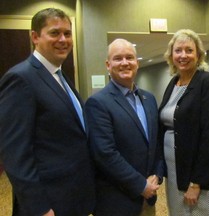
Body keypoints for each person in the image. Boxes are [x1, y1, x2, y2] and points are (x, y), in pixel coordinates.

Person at [0, 8, 95, 216]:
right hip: (47, 204)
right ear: (35, 36)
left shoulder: (61, 76)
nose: (63, 39)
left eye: (67, 34)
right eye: (54, 33)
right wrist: (39, 208)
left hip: (71, 197)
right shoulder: (21, 79)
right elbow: (15, 154)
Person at [85, 38, 164, 216]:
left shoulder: (149, 99)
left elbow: (156, 143)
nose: (125, 63)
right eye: (118, 58)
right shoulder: (98, 103)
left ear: (137, 62)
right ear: (108, 64)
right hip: (116, 202)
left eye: (129, 57)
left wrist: (157, 176)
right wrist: (141, 185)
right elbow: (105, 154)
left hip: (147, 199)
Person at [158, 29, 209, 215]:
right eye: (178, 50)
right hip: (175, 172)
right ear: (171, 55)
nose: (183, 55)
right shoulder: (173, 84)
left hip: (201, 175)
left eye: (189, 50)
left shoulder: (208, 84)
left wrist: (197, 183)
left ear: (198, 55)